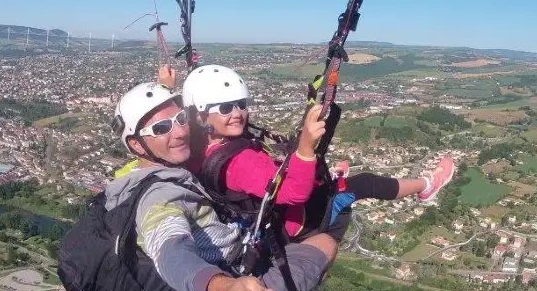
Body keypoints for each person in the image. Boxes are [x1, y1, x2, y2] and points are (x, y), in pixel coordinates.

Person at [84, 81, 337, 291]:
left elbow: (175, 127)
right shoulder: (160, 199)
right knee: (325, 242)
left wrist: (169, 85)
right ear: (137, 145)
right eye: (162, 127)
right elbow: (170, 250)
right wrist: (223, 288)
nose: (178, 132)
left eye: (179, 120)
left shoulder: (133, 177)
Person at [166, 64, 457, 242]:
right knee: (363, 183)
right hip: (294, 221)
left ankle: (330, 177)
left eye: (240, 104)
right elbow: (293, 194)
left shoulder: (192, 145)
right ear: (201, 114)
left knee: (312, 166)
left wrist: (168, 88)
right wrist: (305, 148)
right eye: (226, 108)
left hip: (258, 212)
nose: (238, 114)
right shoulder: (240, 163)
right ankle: (426, 186)